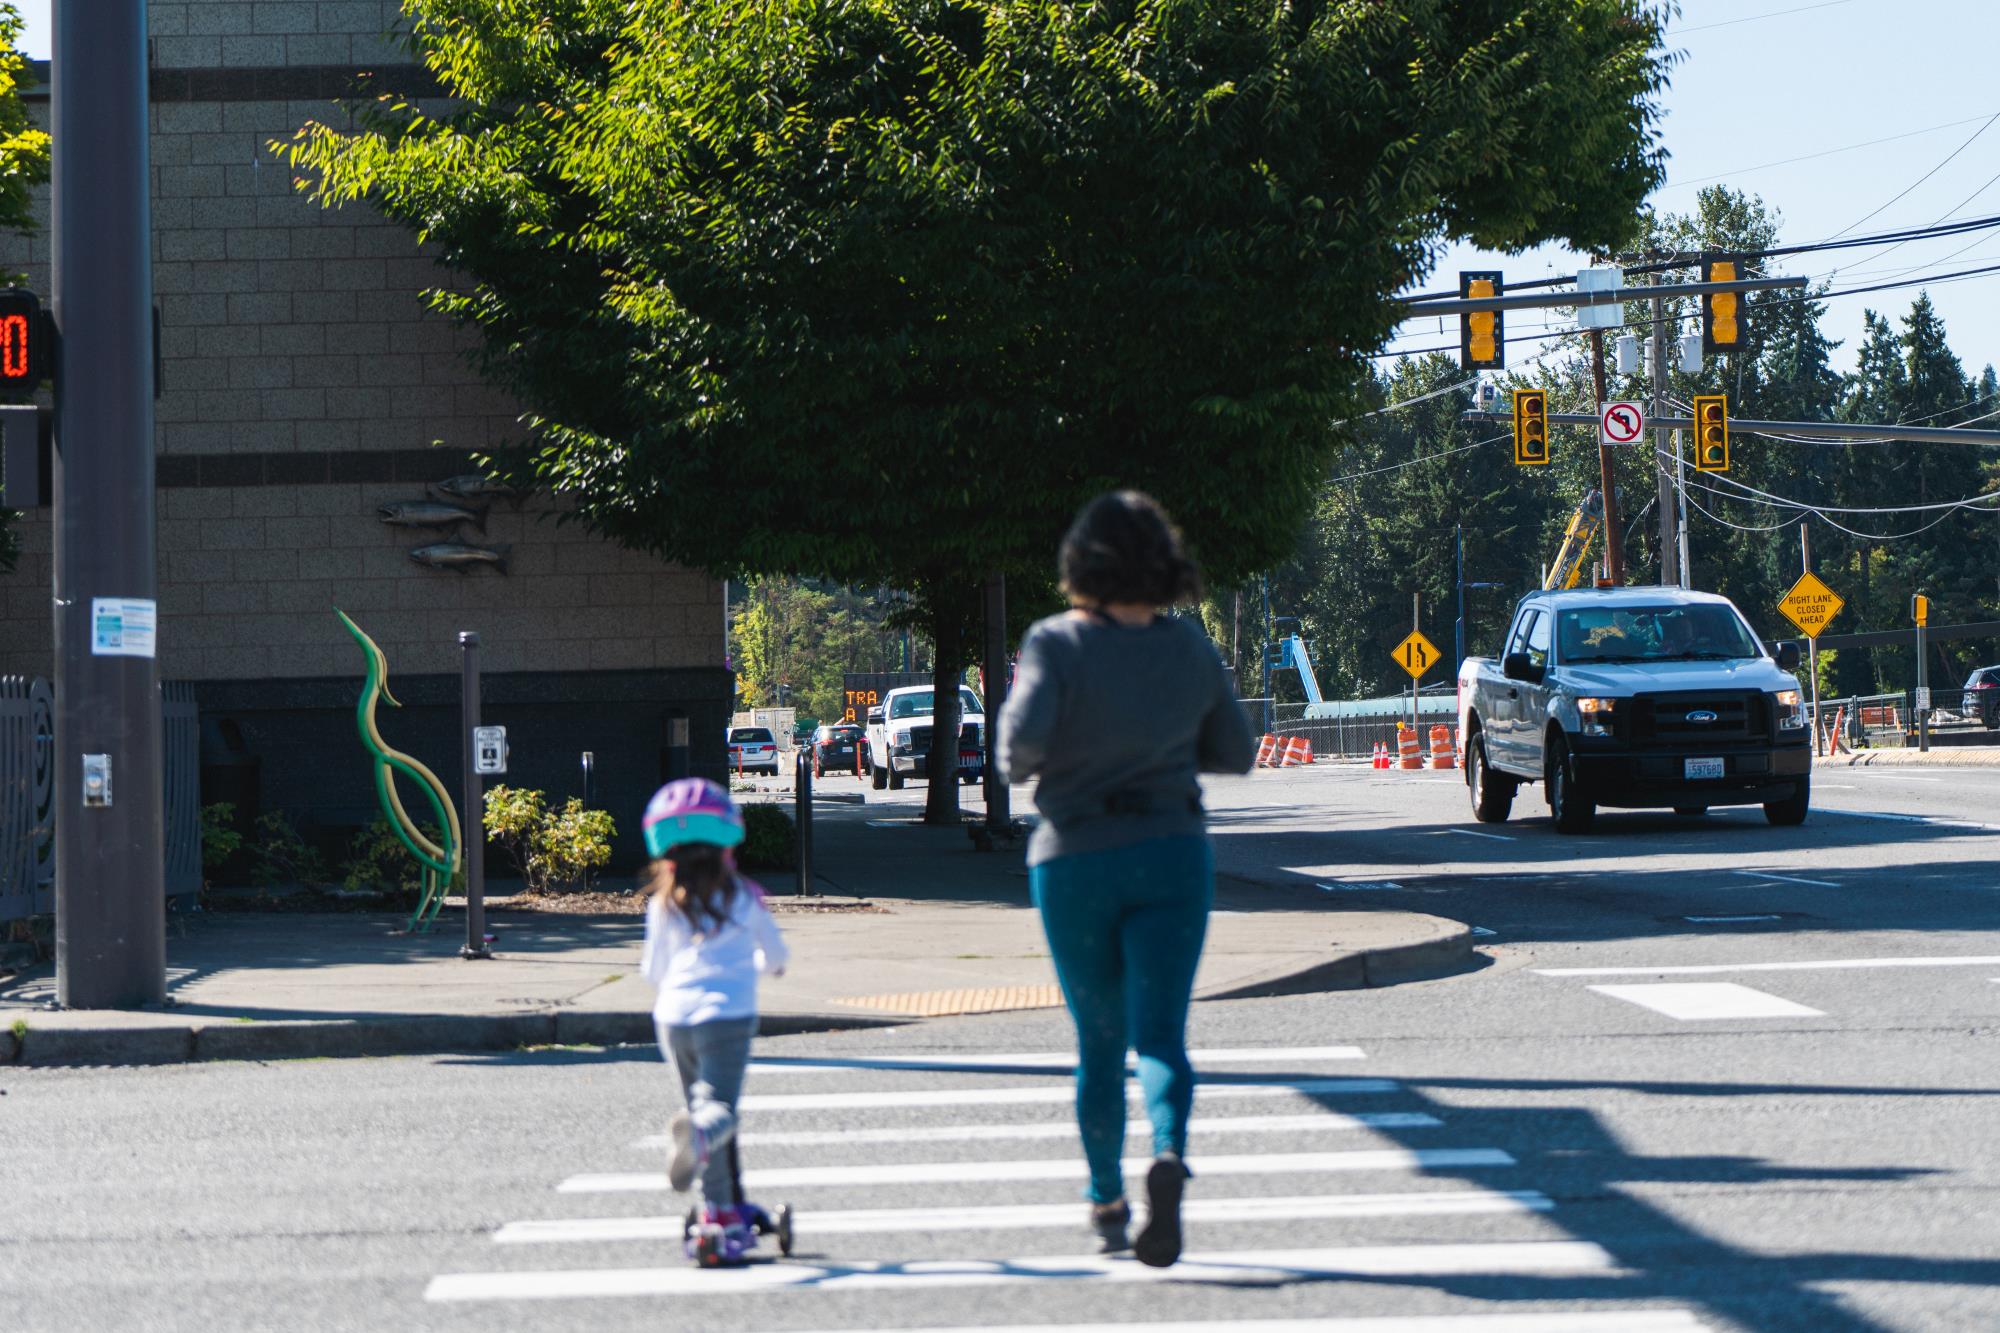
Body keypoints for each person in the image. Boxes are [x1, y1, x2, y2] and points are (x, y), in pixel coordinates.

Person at [998, 490, 1257, 1267]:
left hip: (1075, 856)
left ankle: (1108, 1198)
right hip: (1173, 847)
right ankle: (1170, 1153)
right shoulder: (1189, 648)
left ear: (1080, 561)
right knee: (1163, 1036)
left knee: (1099, 1040)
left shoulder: (1056, 643)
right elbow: (1238, 751)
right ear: (1163, 563)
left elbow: (1015, 754)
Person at [638, 777, 790, 1264]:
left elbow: (652, 970)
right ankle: (704, 1151)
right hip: (728, 1014)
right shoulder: (745, 897)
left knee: (701, 1109)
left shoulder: (663, 903)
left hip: (674, 1019)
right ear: (728, 845)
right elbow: (777, 956)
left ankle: (719, 1208)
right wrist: (761, 968)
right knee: (717, 1113)